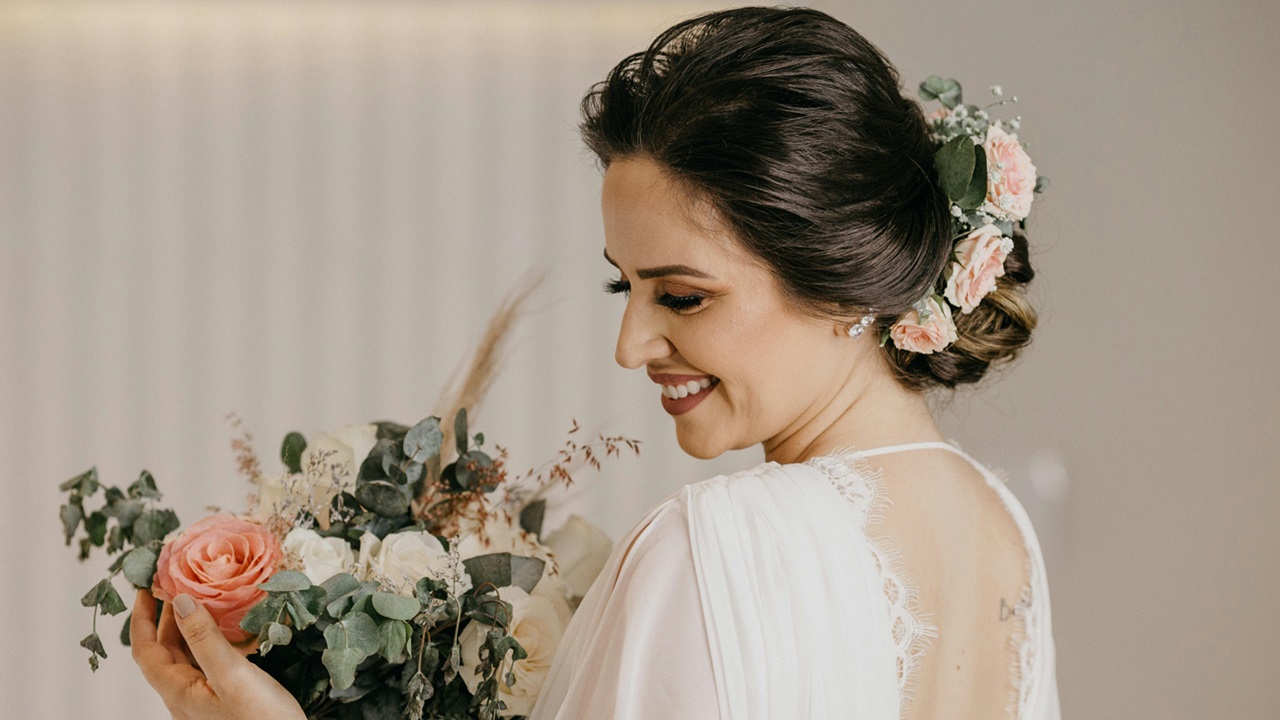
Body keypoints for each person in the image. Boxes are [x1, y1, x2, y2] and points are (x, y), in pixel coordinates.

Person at [132, 6, 1060, 719]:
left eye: (683, 296)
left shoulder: (714, 545)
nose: (632, 347)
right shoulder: (999, 525)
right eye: (627, 289)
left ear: (848, 279)